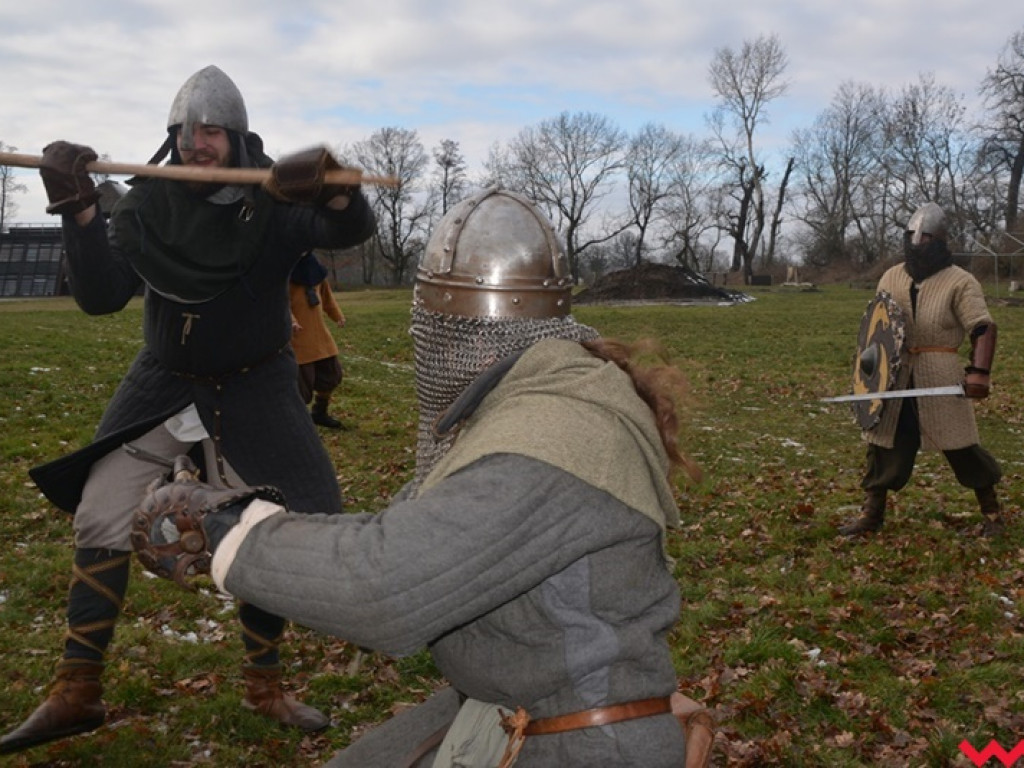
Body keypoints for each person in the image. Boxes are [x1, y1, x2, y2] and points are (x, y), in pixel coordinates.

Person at [130, 188, 714, 767]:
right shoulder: (537, 388)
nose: (422, 343)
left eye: (433, 328)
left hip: (583, 741)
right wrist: (249, 515)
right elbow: (406, 534)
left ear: (457, 331)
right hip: (510, 703)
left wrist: (224, 530)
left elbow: (384, 587)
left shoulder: (553, 435)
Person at [0, 65, 376, 754]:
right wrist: (82, 209)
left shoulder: (273, 196)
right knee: (101, 507)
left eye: (210, 130)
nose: (196, 143)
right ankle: (77, 690)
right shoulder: (149, 201)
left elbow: (348, 230)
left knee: (272, 521)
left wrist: (337, 188)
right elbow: (101, 295)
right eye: (184, 130)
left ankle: (266, 686)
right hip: (165, 382)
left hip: (255, 385)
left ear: (235, 134)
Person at [838, 202, 1004, 537]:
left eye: (926, 237)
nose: (918, 242)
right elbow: (878, 327)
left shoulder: (960, 281)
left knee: (962, 445)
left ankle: (993, 515)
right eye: (913, 236)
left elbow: (982, 327)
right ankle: (872, 514)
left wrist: (979, 372)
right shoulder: (891, 277)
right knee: (882, 442)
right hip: (895, 375)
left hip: (940, 372)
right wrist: (870, 372)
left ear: (940, 240)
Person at [289, 251, 347, 429]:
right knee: (302, 386)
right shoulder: (284, 273)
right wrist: (291, 320)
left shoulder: (316, 271)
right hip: (298, 340)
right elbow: (278, 303)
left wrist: (337, 315)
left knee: (331, 375)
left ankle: (319, 413)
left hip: (321, 337)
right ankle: (297, 423)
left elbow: (327, 298)